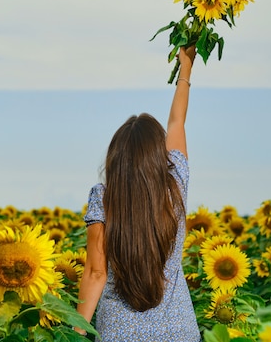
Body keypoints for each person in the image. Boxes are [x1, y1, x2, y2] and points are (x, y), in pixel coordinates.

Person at [75, 45, 200, 341]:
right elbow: (177, 123)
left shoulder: (104, 200)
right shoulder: (175, 186)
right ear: (159, 158)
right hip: (177, 331)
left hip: (120, 333)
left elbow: (95, 273)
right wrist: (186, 68)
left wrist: (75, 332)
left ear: (116, 161)